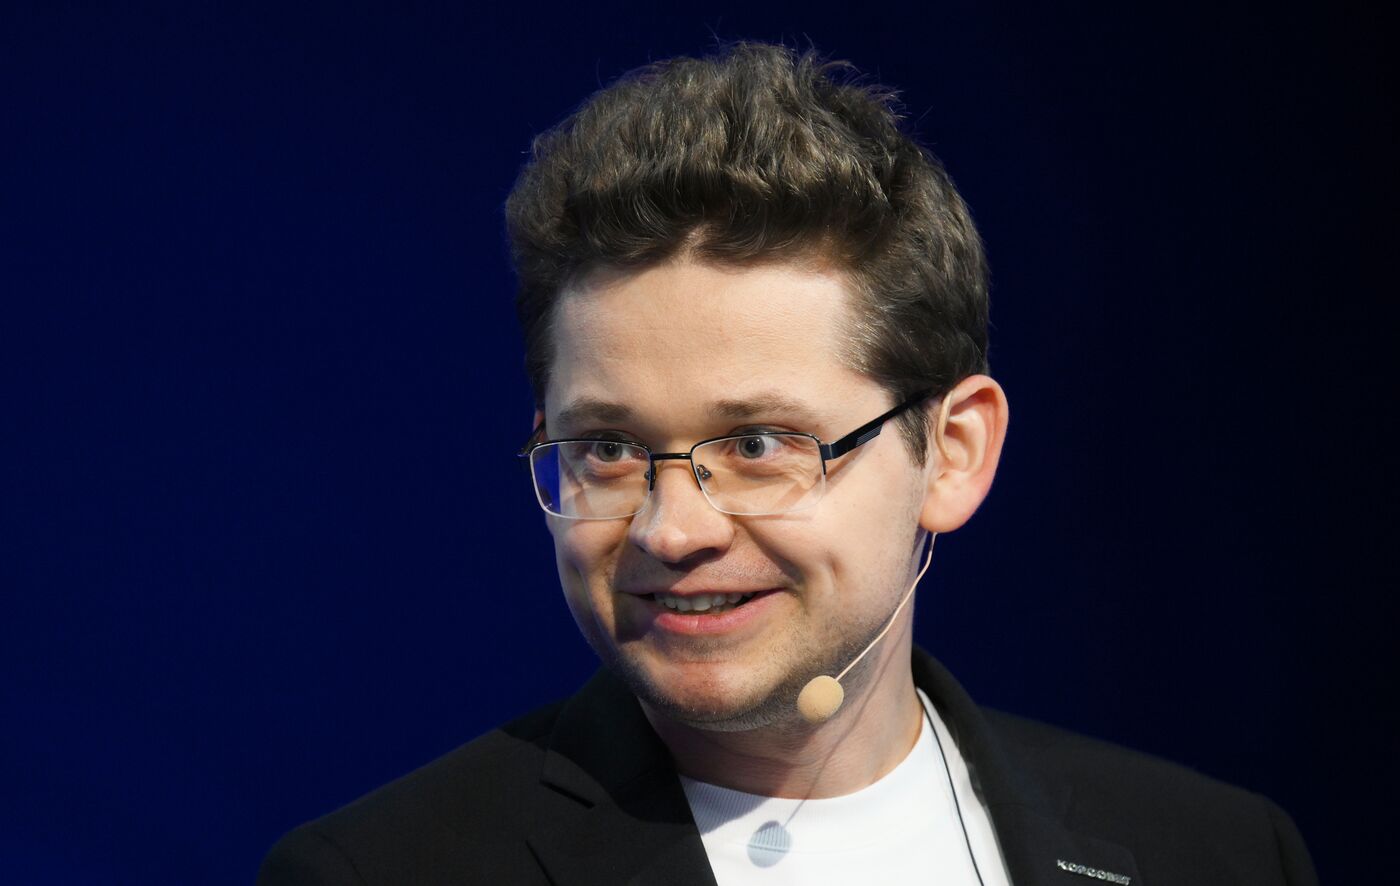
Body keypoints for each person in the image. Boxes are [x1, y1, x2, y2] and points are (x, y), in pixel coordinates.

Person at [258, 42, 1316, 885]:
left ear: (952, 453)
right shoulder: (382, 870)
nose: (672, 530)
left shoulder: (1218, 854)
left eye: (758, 445)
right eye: (610, 449)